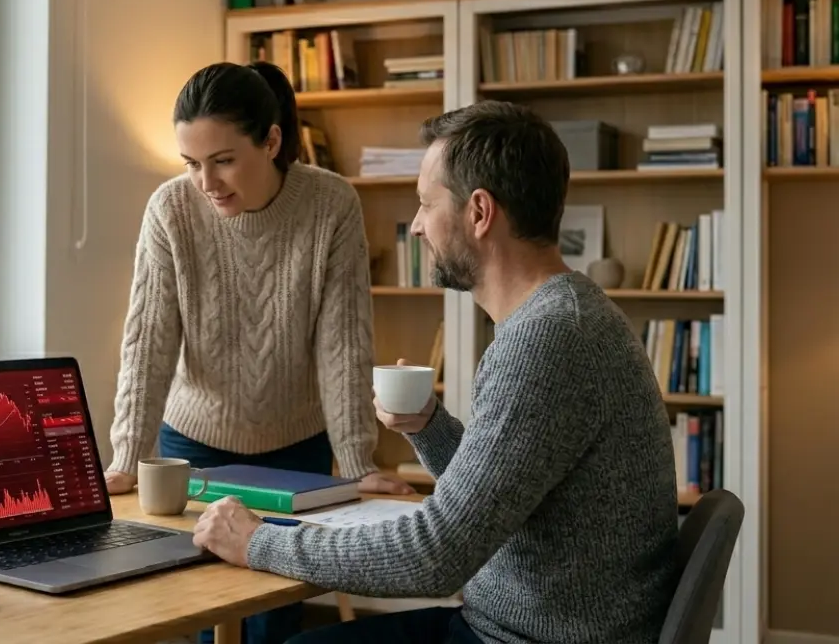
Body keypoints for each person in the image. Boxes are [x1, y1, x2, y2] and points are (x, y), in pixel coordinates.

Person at [190, 100, 682, 644]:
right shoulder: (563, 315)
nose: (418, 226)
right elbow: (496, 497)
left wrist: (257, 542)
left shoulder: (548, 338)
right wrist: (427, 425)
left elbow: (436, 556)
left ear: (479, 212)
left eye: (425, 204)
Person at [105, 61, 413, 644]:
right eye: (191, 163)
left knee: (274, 618)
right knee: (200, 607)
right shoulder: (170, 210)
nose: (206, 181)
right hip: (191, 447)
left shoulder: (331, 205)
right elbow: (148, 343)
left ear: (271, 140)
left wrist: (356, 464)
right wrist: (127, 455)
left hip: (296, 450)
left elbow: (343, 343)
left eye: (223, 160)